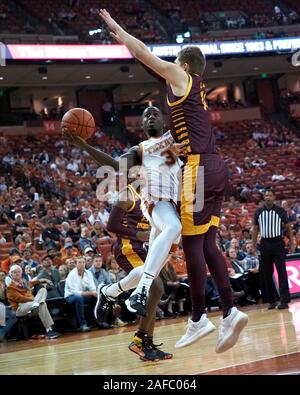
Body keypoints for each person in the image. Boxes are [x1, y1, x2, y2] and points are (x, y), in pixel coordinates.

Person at [99, 8, 248, 353]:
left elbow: (147, 55)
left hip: (196, 169)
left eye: (174, 61)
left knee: (192, 245)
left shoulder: (182, 79)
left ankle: (199, 317)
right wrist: (127, 45)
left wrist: (119, 29)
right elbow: (149, 64)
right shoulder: (183, 91)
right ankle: (228, 309)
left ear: (183, 64)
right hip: (214, 168)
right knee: (207, 242)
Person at [64, 106, 182, 319]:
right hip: (158, 209)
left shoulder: (173, 138)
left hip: (177, 207)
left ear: (164, 121)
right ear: (143, 125)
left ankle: (110, 291)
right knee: (154, 278)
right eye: (146, 115)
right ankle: (143, 313)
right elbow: (115, 166)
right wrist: (84, 145)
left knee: (151, 270)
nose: (151, 116)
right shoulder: (141, 150)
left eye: (156, 113)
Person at [252, 190, 295, 309]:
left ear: (274, 197)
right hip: (265, 243)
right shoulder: (258, 212)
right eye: (266, 195)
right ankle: (271, 301)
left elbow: (288, 228)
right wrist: (254, 244)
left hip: (277, 243)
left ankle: (284, 300)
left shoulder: (281, 211)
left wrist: (292, 243)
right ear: (264, 198)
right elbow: (255, 229)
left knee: (281, 272)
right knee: (267, 273)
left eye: (270, 195)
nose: (268, 197)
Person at [6, 265, 60, 339]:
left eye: (19, 272)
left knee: (42, 292)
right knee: (40, 303)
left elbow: (32, 283)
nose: (17, 273)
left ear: (21, 273)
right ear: (11, 274)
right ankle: (49, 330)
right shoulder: (10, 287)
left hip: (32, 306)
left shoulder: (24, 282)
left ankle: (49, 331)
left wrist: (43, 280)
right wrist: (33, 300)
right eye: (14, 272)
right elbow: (20, 298)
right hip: (21, 308)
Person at [64, 256, 111, 331]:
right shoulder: (72, 274)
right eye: (79, 262)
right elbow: (76, 292)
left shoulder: (88, 273)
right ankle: (83, 324)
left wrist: (96, 294)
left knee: (98, 297)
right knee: (78, 297)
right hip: (70, 296)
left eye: (83, 262)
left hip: (83, 295)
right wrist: (92, 293)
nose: (82, 264)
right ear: (76, 264)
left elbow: (92, 288)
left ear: (85, 263)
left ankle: (100, 321)